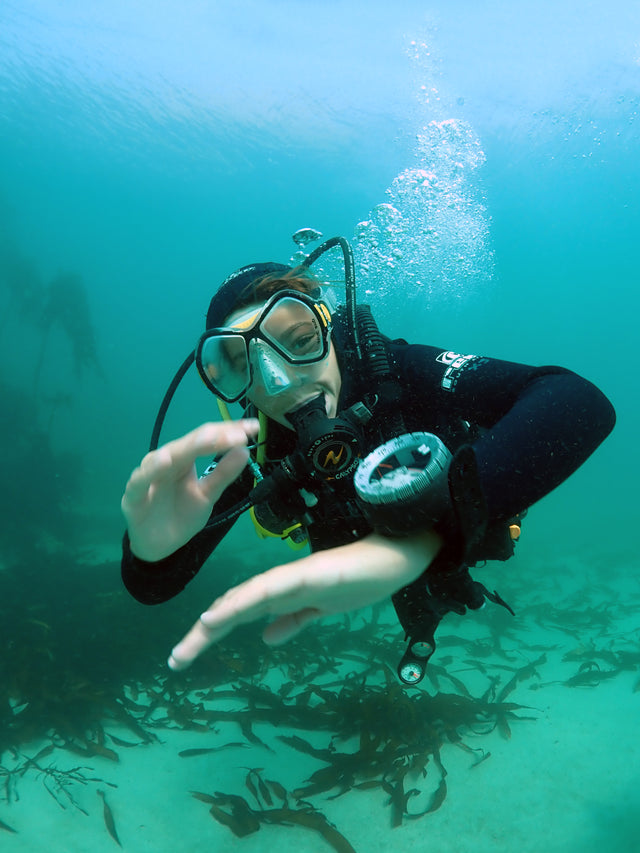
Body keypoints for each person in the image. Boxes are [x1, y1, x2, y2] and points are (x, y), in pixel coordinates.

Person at [120, 237, 615, 684]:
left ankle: (435, 595)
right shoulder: (251, 448)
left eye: (299, 340)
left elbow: (576, 401)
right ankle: (423, 619)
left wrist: (444, 525)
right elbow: (153, 587)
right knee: (419, 599)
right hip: (371, 552)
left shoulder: (395, 370)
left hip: (461, 523)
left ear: (327, 324)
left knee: (448, 578)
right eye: (242, 365)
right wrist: (147, 551)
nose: (279, 383)